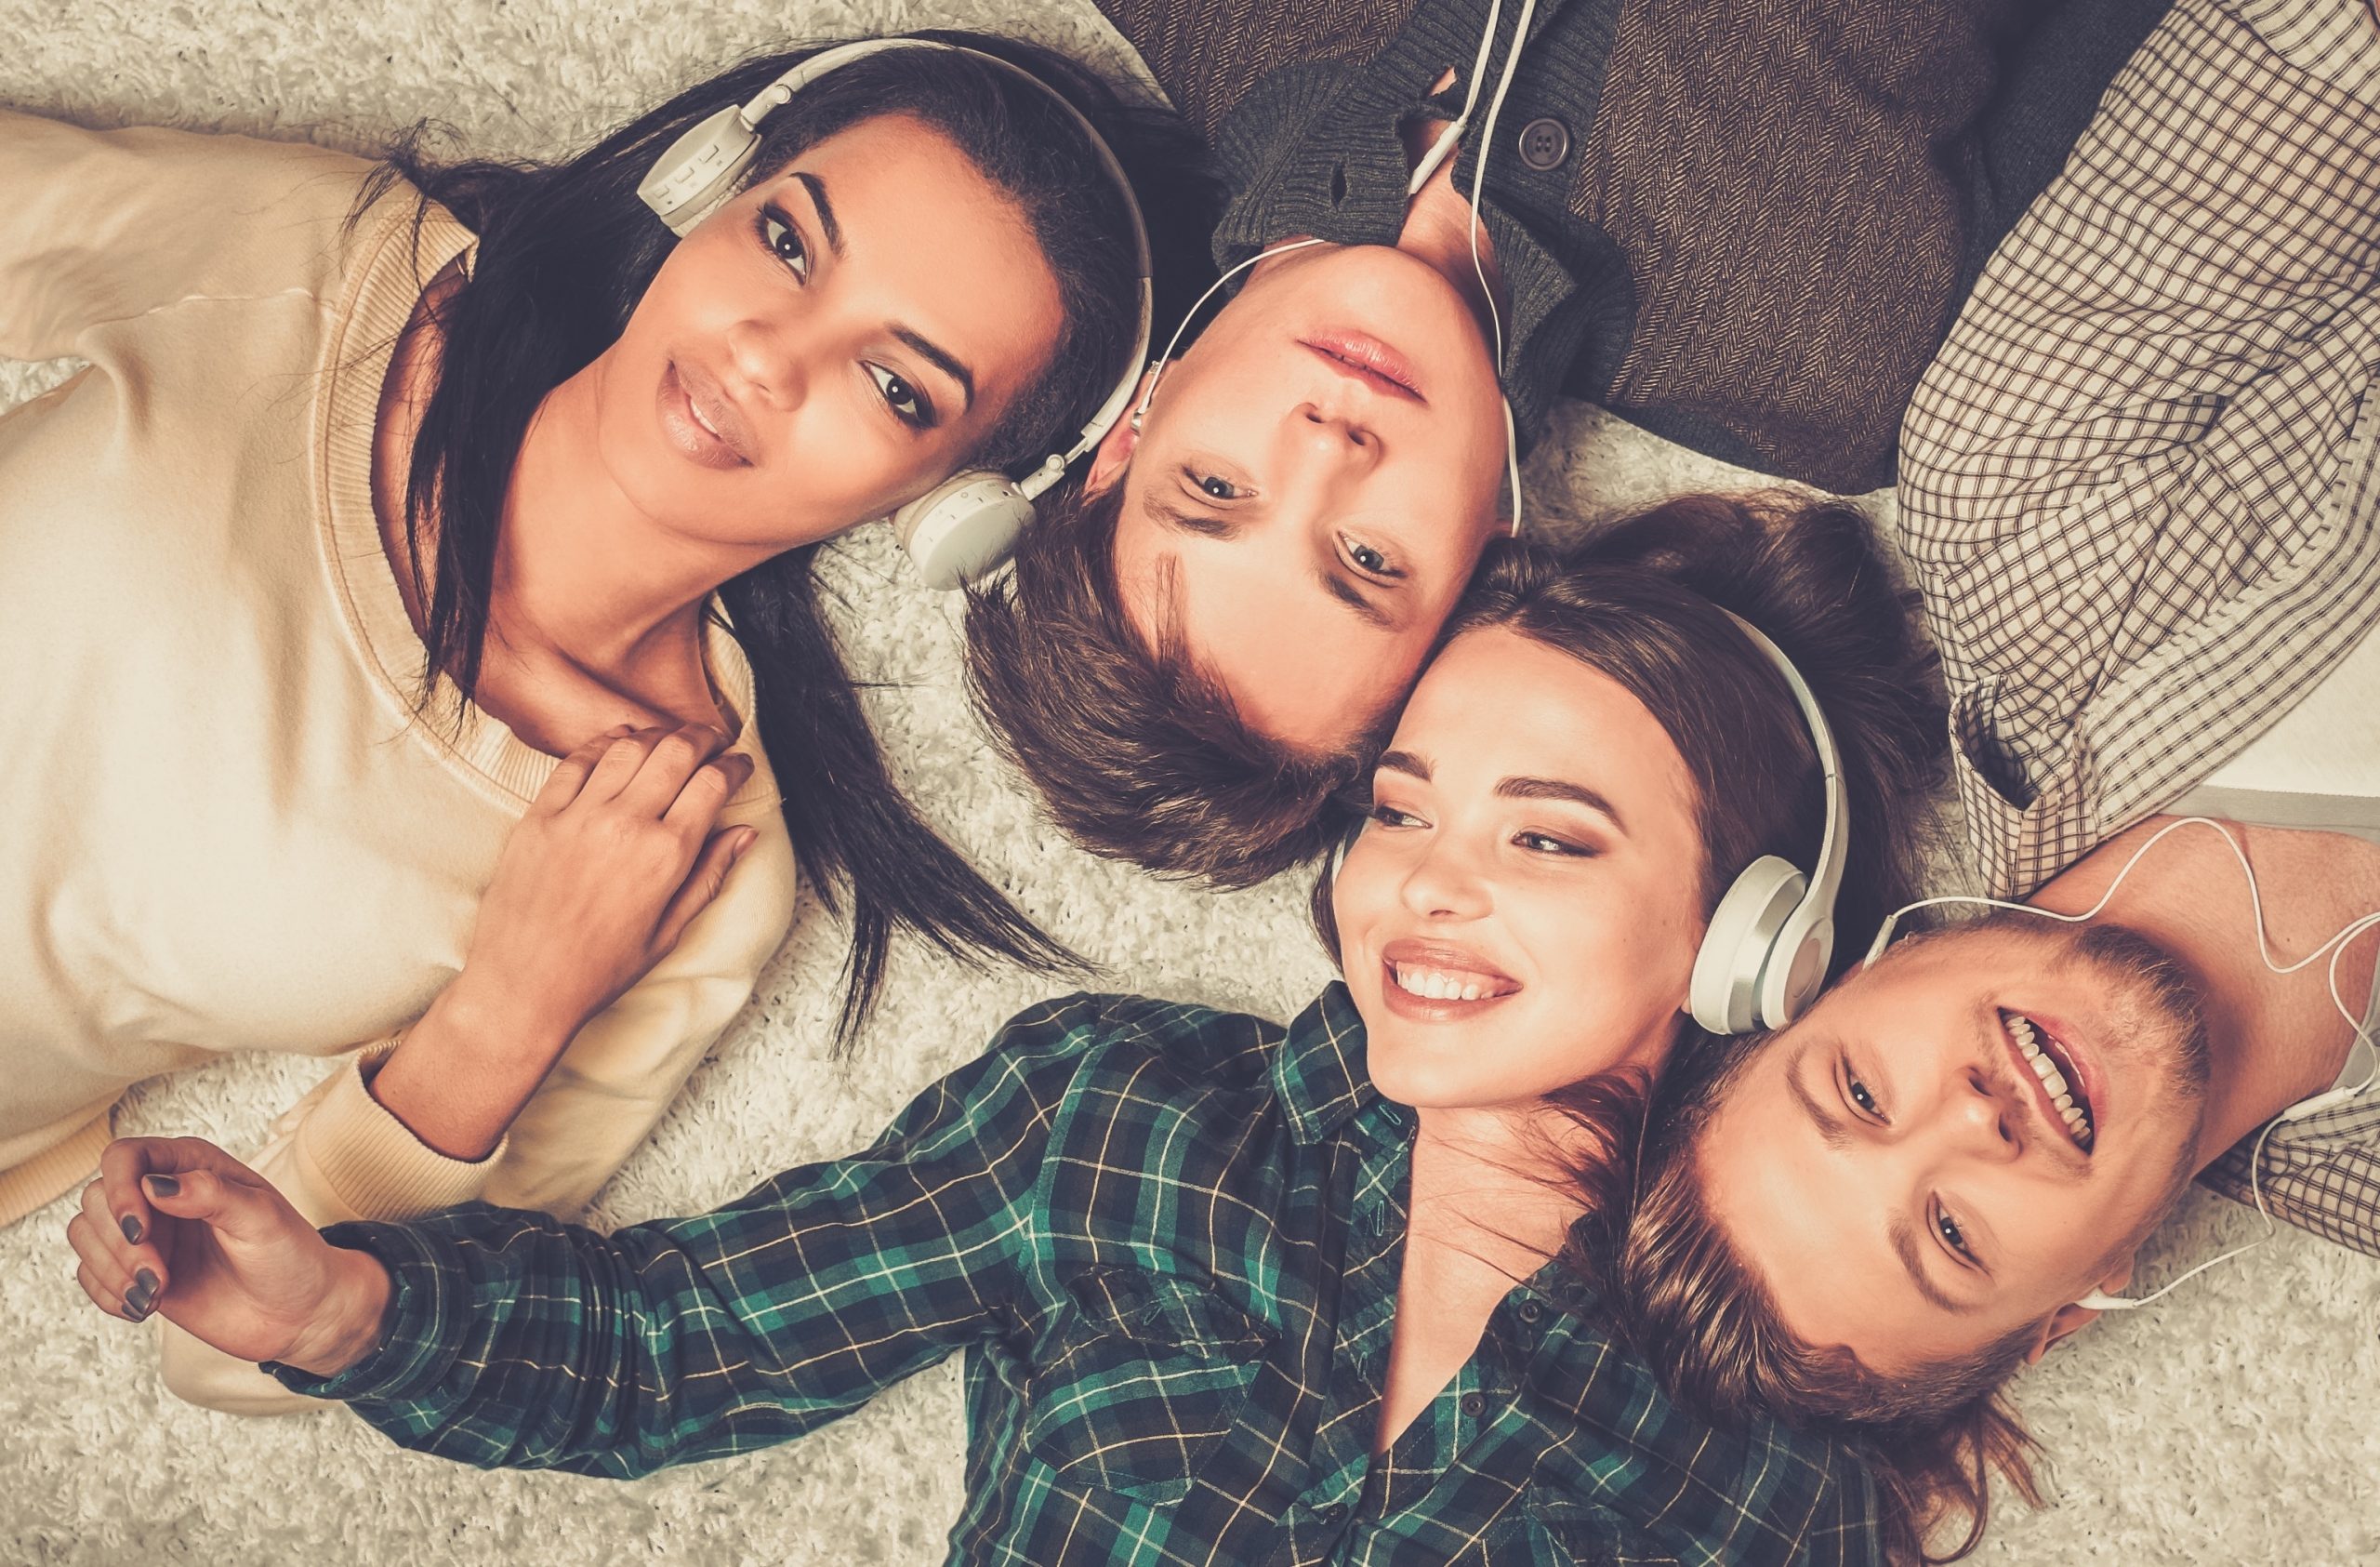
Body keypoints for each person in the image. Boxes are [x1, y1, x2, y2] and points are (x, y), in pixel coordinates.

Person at [65, 493, 1947, 1563]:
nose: (1427, 881)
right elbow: (679, 1343)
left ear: (1747, 945)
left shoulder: (1786, 1437)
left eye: (1546, 833)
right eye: (1400, 802)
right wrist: (338, 1305)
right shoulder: (1114, 1116)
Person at [0, 33, 1210, 1407]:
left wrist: (506, 1017)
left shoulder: (696, 851)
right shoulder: (333, 273)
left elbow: (230, 1348)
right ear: (705, 186)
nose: (767, 354)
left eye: (897, 387)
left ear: (954, 509)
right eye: (789, 242)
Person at [1568, 2, 2380, 1558]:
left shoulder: (2026, 488)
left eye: (1858, 1093)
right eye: (1947, 1236)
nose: (1969, 1124)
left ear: (1832, 969)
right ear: (2069, 1316)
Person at [964, 0, 2134, 886]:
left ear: (1133, 426)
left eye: (1214, 487)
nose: (1328, 446)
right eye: (1367, 562)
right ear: (1489, 555)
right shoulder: (1846, 357)